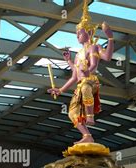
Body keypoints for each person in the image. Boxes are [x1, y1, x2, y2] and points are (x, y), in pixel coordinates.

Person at [48, 0, 114, 144]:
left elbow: (107, 57)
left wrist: (110, 38)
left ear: (89, 32)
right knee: (72, 112)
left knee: (84, 85)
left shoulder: (94, 47)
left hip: (91, 82)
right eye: (76, 33)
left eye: (79, 32)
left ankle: (90, 116)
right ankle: (87, 136)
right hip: (81, 84)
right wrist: (61, 89)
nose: (77, 35)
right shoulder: (78, 55)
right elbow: (75, 76)